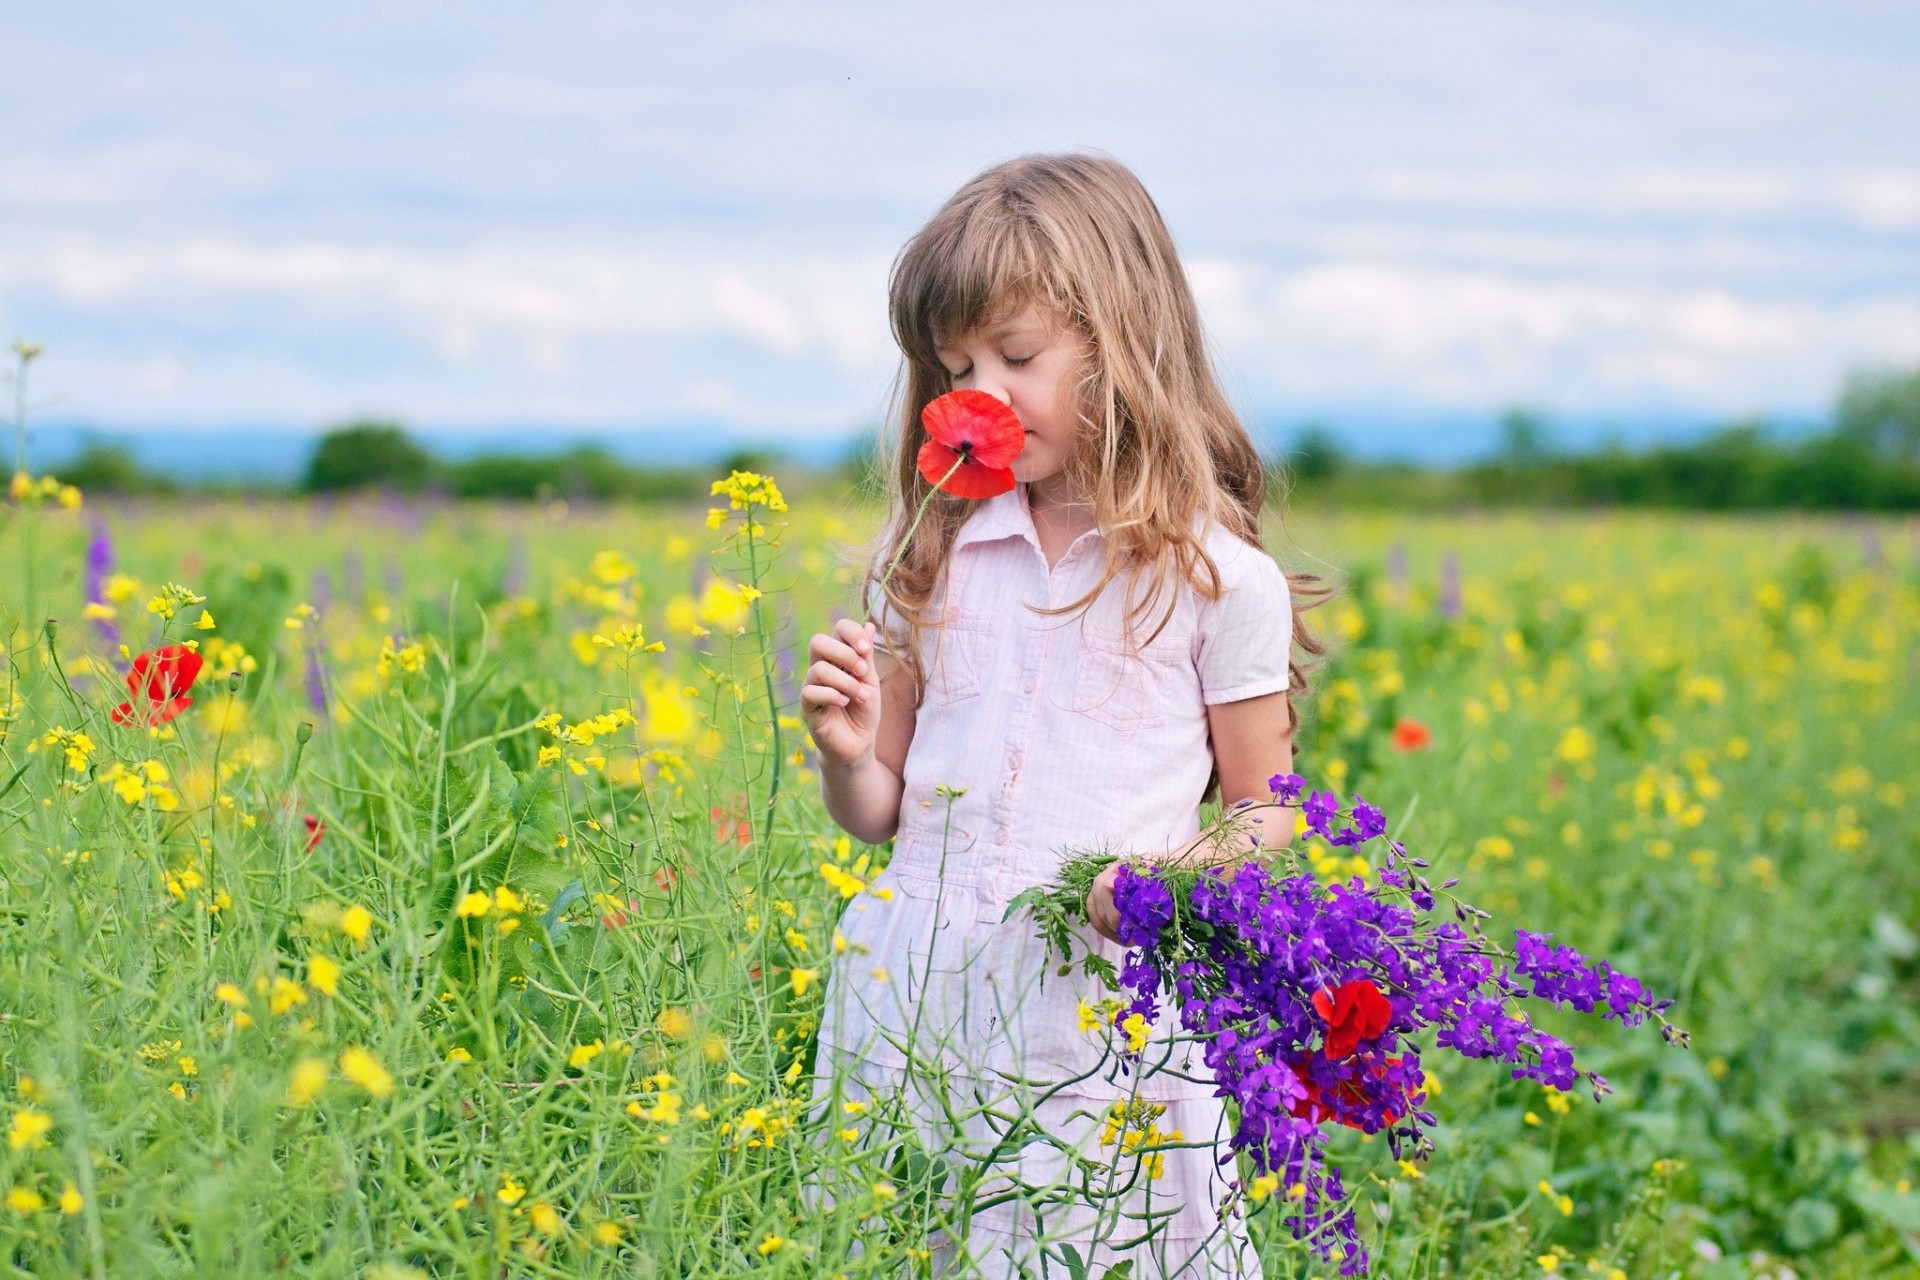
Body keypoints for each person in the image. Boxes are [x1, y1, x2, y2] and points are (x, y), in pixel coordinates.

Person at [800, 152, 1324, 1278]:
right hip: (917, 986)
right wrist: (846, 755)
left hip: (1095, 1002)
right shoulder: (927, 553)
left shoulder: (1222, 580)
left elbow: (1266, 812)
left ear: (1124, 342)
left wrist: (1160, 883)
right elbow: (879, 813)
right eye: (954, 365)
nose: (977, 392)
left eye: (1018, 356)